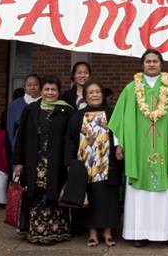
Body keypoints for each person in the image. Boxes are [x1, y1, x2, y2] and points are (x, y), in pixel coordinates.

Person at [108, 49, 168, 248]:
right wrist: (118, 144)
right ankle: (140, 233)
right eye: (148, 61)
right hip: (138, 149)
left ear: (162, 65)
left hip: (166, 149)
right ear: (142, 65)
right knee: (140, 194)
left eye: (155, 61)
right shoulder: (131, 90)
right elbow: (119, 119)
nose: (151, 64)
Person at [12, 75, 75, 245]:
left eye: (53, 89)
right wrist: (18, 162)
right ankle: (36, 233)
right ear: (41, 91)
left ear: (59, 92)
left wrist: (70, 162)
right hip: (35, 162)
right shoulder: (31, 110)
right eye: (46, 89)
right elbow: (21, 137)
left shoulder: (67, 111)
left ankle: (56, 233)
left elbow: (72, 139)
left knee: (55, 194)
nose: (49, 93)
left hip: (57, 163)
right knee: (37, 195)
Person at [64, 78, 121, 247]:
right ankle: (92, 233)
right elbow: (69, 140)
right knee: (90, 200)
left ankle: (108, 232)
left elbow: (121, 135)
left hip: (108, 165)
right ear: (85, 96)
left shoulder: (112, 113)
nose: (95, 95)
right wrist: (69, 163)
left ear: (102, 95)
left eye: (97, 92)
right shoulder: (77, 116)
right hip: (86, 167)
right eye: (91, 92)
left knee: (108, 199)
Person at [5, 74, 41, 181]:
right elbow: (11, 132)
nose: (32, 87)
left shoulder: (46, 103)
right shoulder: (15, 105)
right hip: (21, 150)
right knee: (20, 184)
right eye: (29, 85)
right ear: (24, 87)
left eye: (35, 84)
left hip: (40, 151)